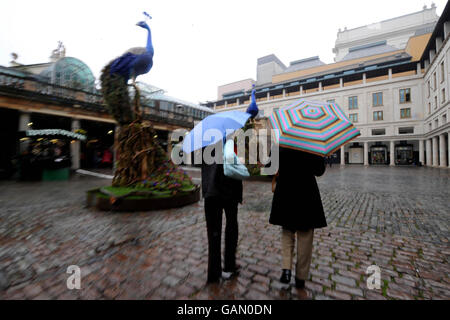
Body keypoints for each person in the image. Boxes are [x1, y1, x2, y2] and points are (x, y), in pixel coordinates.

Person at [269, 147, 327, 289]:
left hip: (285, 192)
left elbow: (269, 168)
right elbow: (319, 171)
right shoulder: (312, 142)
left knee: (287, 232)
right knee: (305, 236)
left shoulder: (282, 142)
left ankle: (286, 270)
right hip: (306, 193)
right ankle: (301, 276)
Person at [201, 142, 243, 284]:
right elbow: (237, 165)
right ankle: (229, 265)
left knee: (213, 234)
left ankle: (213, 273)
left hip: (211, 190)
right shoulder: (231, 141)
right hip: (229, 190)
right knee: (231, 228)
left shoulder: (204, 141)